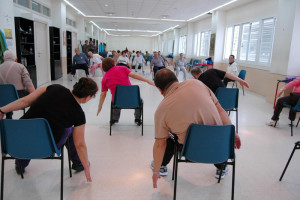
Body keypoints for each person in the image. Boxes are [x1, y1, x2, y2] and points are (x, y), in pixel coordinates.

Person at [151, 69, 242, 188]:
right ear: (177, 80)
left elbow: (160, 144)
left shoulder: (161, 110)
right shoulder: (198, 83)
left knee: (168, 135)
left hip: (191, 153)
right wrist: (232, 133)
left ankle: (162, 166)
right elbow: (220, 110)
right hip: (221, 148)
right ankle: (222, 167)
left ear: (160, 90)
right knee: (213, 136)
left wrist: (155, 171)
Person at [0, 77, 98, 182]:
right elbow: (80, 144)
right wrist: (86, 166)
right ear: (88, 97)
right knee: (70, 131)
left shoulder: (53, 88)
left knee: (30, 130)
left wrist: (2, 110)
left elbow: (24, 101)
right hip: (47, 147)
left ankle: (20, 162)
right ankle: (78, 163)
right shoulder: (78, 115)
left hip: (18, 141)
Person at [97, 58, 154, 125]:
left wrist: (100, 107)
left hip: (118, 102)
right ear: (113, 63)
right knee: (140, 101)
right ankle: (137, 119)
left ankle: (114, 119)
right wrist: (147, 80)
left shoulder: (104, 78)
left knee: (114, 100)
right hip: (132, 101)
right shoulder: (122, 68)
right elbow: (135, 75)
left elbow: (103, 94)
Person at [0, 50, 35, 119]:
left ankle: (8, 116)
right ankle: (30, 116)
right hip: (18, 97)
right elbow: (28, 83)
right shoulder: (20, 67)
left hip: (1, 97)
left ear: (3, 60)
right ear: (16, 59)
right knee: (32, 96)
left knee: (7, 96)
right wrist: (34, 94)